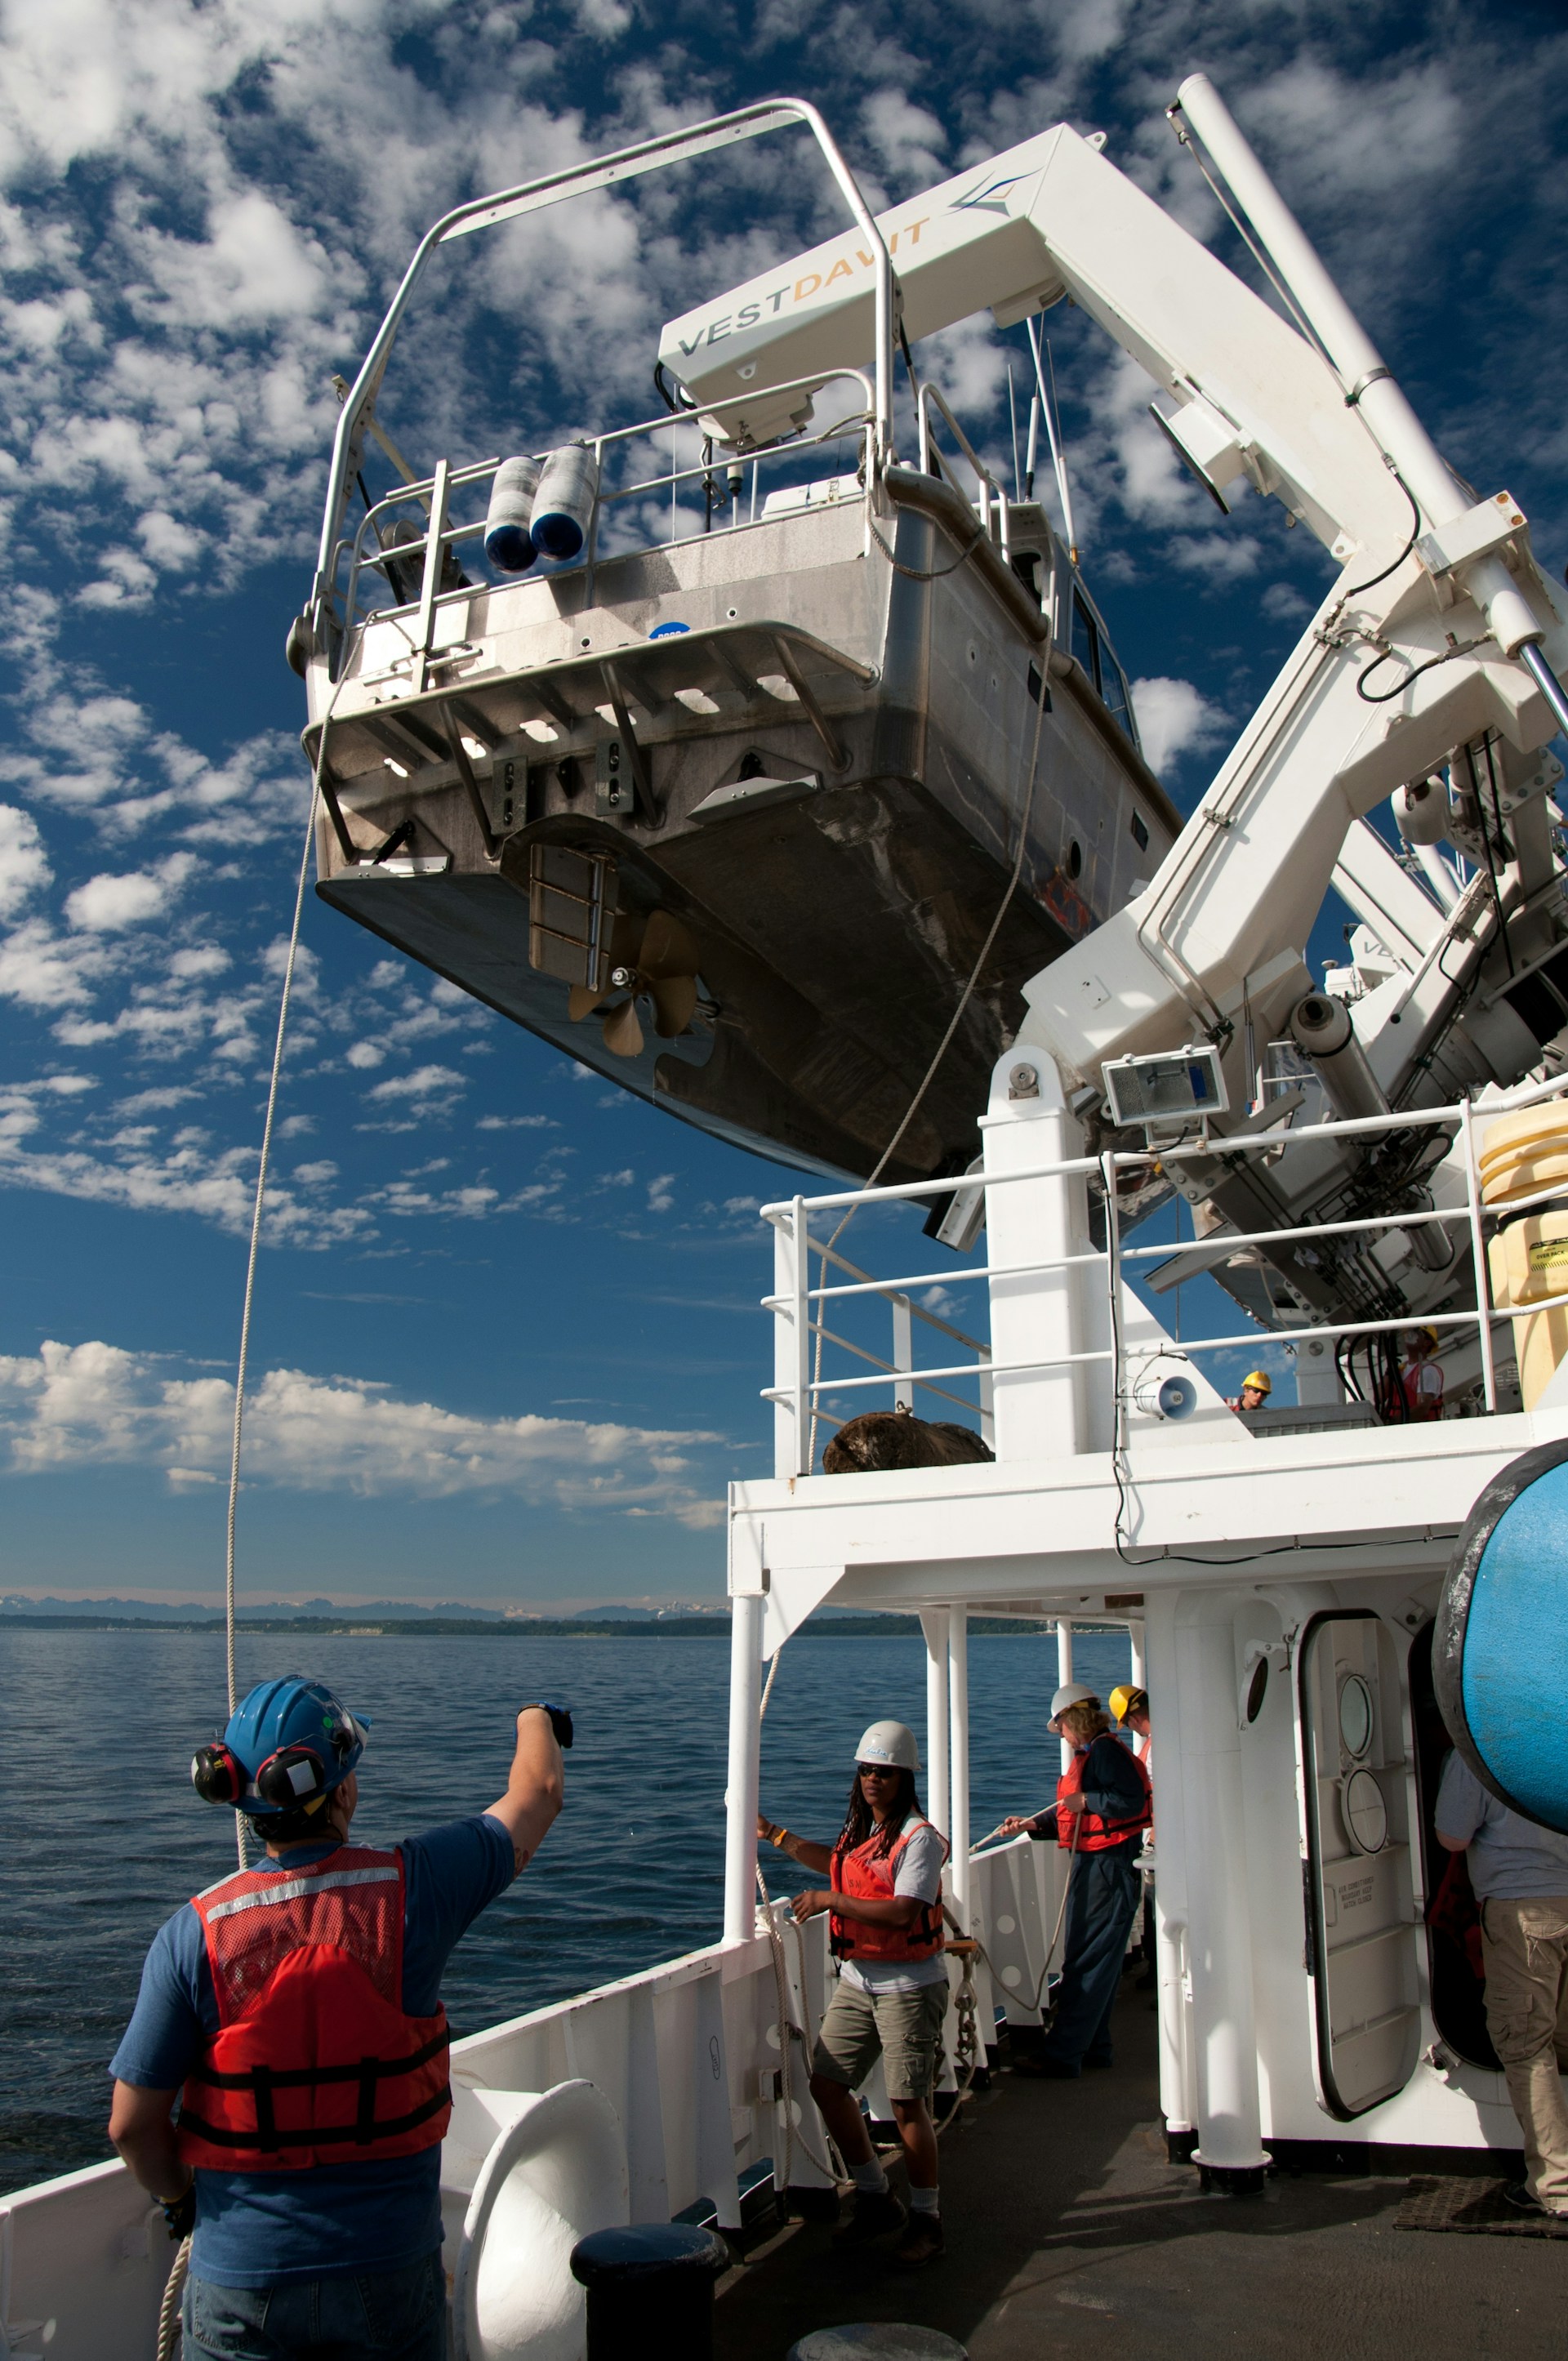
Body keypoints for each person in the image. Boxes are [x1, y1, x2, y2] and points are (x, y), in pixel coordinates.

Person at [108, 1675, 569, 2361]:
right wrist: (538, 1714)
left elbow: (132, 2127)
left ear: (239, 1800)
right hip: (387, 2269)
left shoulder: (193, 1935)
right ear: (344, 1789)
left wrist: (182, 2202)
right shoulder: (418, 1887)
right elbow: (537, 1794)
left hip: (240, 2280)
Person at [757, 1719, 949, 2270]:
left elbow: (902, 1910)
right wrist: (774, 1835)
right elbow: (841, 1866)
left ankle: (928, 2220)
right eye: (866, 1770)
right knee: (826, 2083)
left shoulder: (920, 1838)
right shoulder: (866, 1831)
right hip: (860, 1979)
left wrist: (831, 1902)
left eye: (884, 1773)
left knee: (908, 2101)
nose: (872, 1780)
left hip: (910, 1986)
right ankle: (874, 2196)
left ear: (904, 1777)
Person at [1435, 1746, 1568, 2215]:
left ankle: (1557, 2186)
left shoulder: (1482, 1749)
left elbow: (1451, 1837)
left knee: (1526, 2043)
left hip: (1523, 1912)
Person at [999, 1683, 1152, 2077]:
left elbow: (1129, 1800)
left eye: (1062, 1727)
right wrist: (1034, 1824)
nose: (1062, 1737)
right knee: (1092, 1957)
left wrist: (1089, 1801)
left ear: (1072, 1719)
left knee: (1088, 1960)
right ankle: (1095, 2047)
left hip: (1108, 1867)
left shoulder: (1104, 1752)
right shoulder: (1096, 1753)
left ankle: (1063, 2054)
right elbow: (1073, 1814)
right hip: (1097, 1865)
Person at [1109, 1685, 1156, 1989]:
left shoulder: (1157, 1745)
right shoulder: (1160, 1739)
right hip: (1158, 1838)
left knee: (1155, 1910)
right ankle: (1156, 1972)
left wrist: (1153, 1840)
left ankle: (1158, 1976)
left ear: (1134, 1717)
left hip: (1160, 1842)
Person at [1401, 1325, 1446, 1420]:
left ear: (1427, 1343)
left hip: (1417, 1430)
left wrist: (1394, 1421)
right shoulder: (1400, 1369)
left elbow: (1422, 1409)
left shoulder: (1428, 1371)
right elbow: (1378, 1396)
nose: (1410, 1334)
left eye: (1416, 1332)